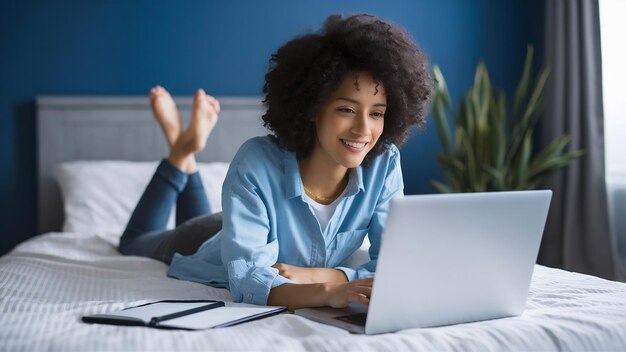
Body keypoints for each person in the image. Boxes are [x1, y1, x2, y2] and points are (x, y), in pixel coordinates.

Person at [119, 13, 431, 311]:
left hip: (243, 223)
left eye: (376, 113)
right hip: (206, 237)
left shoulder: (384, 163)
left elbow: (391, 267)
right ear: (313, 107)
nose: (364, 129)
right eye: (346, 110)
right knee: (132, 243)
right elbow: (248, 281)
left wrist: (323, 275)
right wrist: (330, 291)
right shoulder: (255, 162)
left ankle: (185, 151)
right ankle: (180, 154)